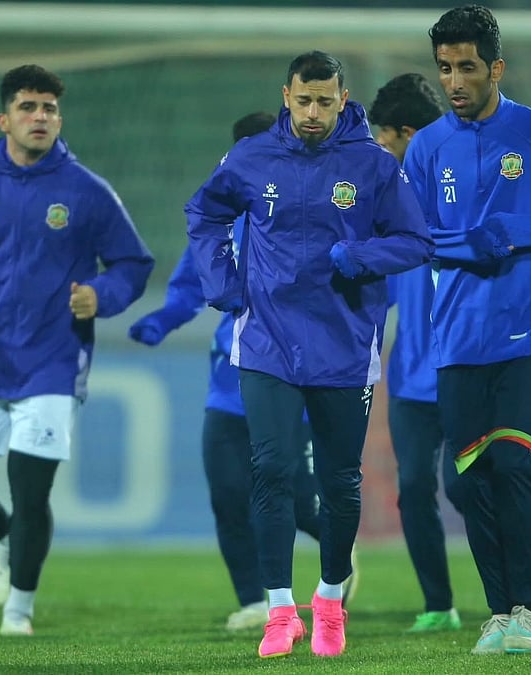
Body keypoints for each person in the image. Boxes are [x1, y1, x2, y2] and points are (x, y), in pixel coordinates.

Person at [186, 51, 432, 658]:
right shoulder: (250, 157)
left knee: (340, 480)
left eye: (326, 101)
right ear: (286, 96)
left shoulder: (373, 166)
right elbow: (204, 213)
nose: (314, 113)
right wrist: (221, 284)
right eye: (304, 101)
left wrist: (360, 258)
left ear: (343, 99)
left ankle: (327, 600)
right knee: (269, 469)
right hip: (267, 341)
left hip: (345, 345)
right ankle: (278, 610)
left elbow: (415, 240)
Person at [0, 64, 154, 636]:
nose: (39, 118)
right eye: (27, 107)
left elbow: (134, 264)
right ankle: (11, 540)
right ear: (5, 118)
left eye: (48, 109)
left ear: (59, 119)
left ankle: (18, 611)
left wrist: (101, 294)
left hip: (51, 361)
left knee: (31, 490)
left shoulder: (86, 192)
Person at [403, 5, 531, 655]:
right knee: (464, 479)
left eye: (466, 68)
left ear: (496, 67)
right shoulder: (432, 145)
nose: (454, 81)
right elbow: (413, 235)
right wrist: (469, 245)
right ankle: (499, 611)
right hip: (458, 335)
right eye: (444, 69)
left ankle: (527, 609)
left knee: (510, 457)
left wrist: (517, 233)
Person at [128, 110, 332, 632]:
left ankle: (336, 570)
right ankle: (256, 600)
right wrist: (163, 320)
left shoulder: (306, 212)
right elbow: (191, 283)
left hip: (292, 379)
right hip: (229, 383)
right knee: (227, 494)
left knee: (302, 500)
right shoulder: (220, 218)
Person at [367, 73, 462, 634]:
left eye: (384, 138)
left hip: (467, 368)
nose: (379, 149)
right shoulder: (388, 202)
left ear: (407, 134)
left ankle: (511, 600)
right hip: (410, 377)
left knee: (470, 486)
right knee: (413, 489)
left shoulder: (459, 192)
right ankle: (438, 604)